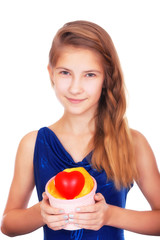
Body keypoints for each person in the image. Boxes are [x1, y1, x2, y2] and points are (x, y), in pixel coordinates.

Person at [1, 20, 160, 240]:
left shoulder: (132, 143)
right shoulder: (33, 144)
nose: (75, 88)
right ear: (51, 73)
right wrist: (40, 213)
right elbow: (8, 224)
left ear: (106, 77)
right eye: (65, 73)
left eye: (90, 75)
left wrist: (110, 215)